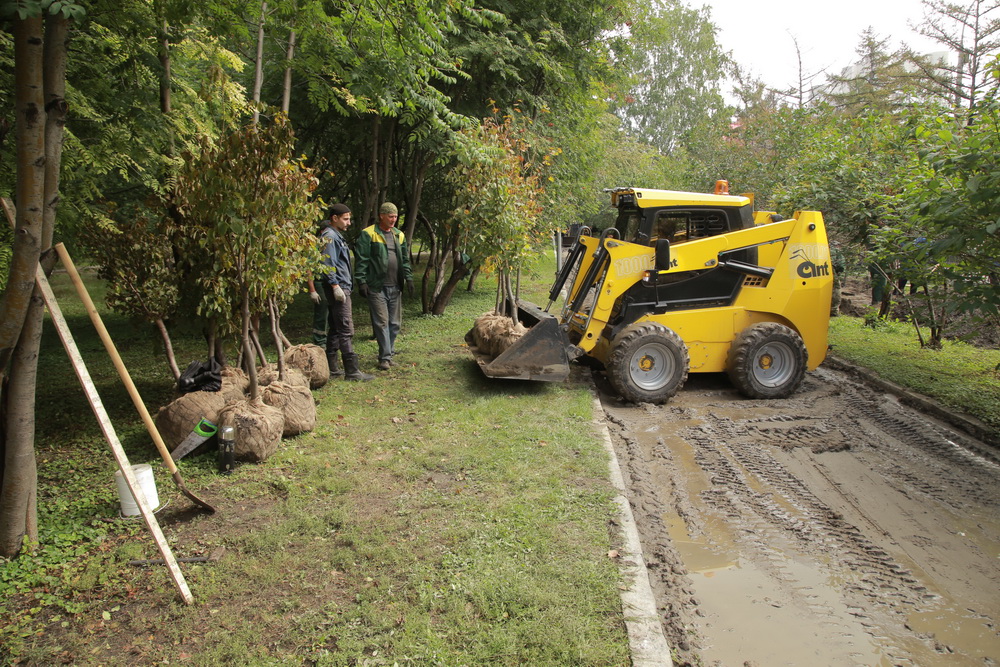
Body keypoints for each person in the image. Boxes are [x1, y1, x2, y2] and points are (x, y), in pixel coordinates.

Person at [354, 202, 414, 371]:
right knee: (382, 323)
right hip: (376, 286)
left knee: (395, 323)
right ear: (382, 215)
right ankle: (384, 358)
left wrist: (408, 279)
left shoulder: (398, 235)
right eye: (390, 216)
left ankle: (389, 353)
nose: (393, 219)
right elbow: (362, 260)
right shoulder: (368, 234)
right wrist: (362, 281)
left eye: (395, 216)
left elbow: (404, 259)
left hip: (395, 286)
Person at [320, 203, 373, 382]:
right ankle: (352, 371)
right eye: (346, 219)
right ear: (334, 218)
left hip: (341, 286)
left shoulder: (336, 235)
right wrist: (335, 286)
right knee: (345, 328)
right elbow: (327, 264)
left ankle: (332, 368)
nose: (349, 222)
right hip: (339, 287)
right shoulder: (330, 236)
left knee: (336, 327)